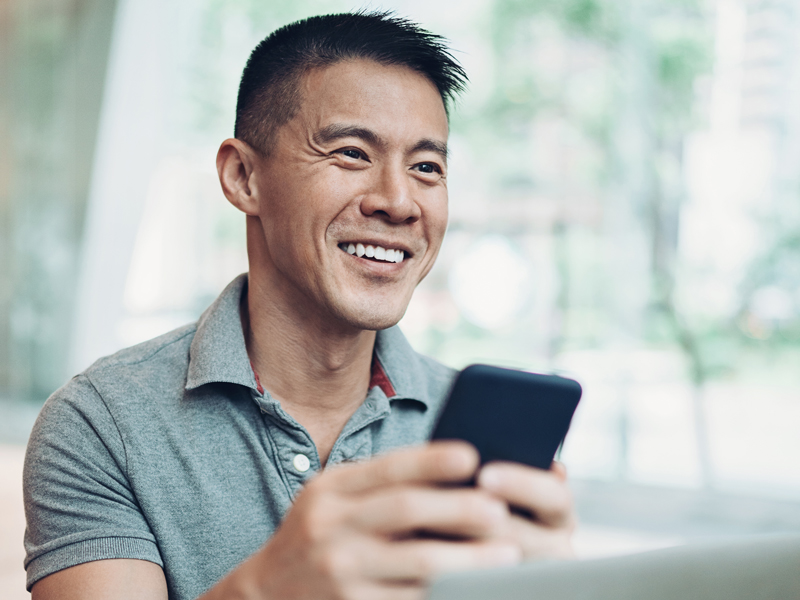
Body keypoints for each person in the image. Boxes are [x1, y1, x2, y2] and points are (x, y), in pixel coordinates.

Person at [23, 11, 575, 600]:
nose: (398, 201)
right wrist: (265, 588)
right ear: (243, 177)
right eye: (351, 153)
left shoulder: (472, 432)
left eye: (426, 167)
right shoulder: (103, 425)